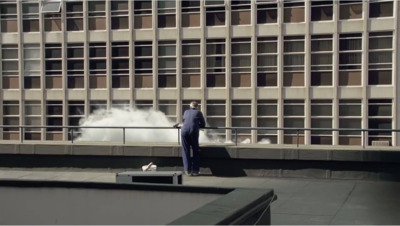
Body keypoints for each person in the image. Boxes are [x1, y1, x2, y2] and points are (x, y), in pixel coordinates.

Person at [179, 101, 205, 176]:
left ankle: (187, 170)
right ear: (197, 106)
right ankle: (195, 170)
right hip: (193, 132)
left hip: (184, 131)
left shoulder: (186, 112)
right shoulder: (198, 112)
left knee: (185, 150)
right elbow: (203, 124)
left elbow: (185, 121)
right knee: (195, 150)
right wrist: (197, 124)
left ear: (190, 106)